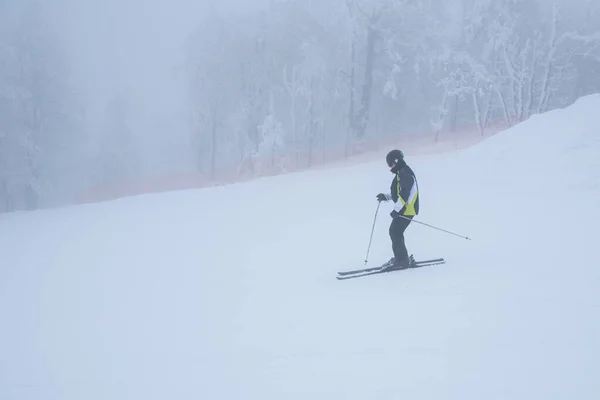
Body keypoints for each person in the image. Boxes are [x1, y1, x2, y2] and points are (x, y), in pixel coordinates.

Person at [376, 149, 420, 269]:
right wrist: (386, 197)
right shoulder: (401, 173)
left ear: (397, 161)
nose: (390, 167)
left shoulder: (405, 174)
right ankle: (401, 258)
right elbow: (399, 194)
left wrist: (396, 210)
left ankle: (402, 260)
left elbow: (405, 195)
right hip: (405, 209)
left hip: (407, 210)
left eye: (390, 164)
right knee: (395, 232)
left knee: (395, 232)